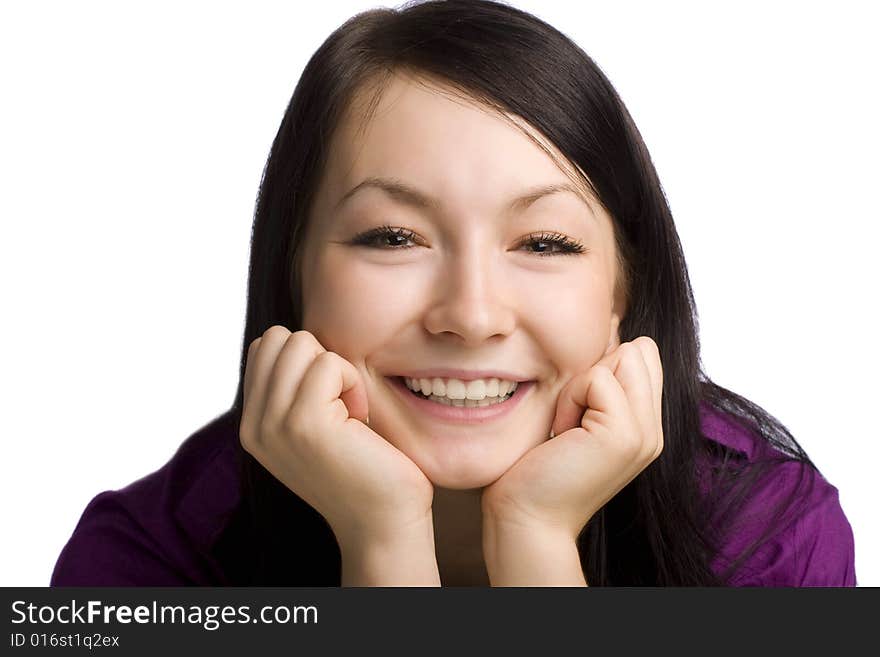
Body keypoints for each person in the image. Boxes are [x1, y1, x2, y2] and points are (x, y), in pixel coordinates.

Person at [51, 0, 855, 587]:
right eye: (394, 237)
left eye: (544, 243)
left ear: (623, 290)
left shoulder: (770, 536)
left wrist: (536, 539)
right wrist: (383, 539)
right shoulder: (144, 567)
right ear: (291, 271)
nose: (470, 315)